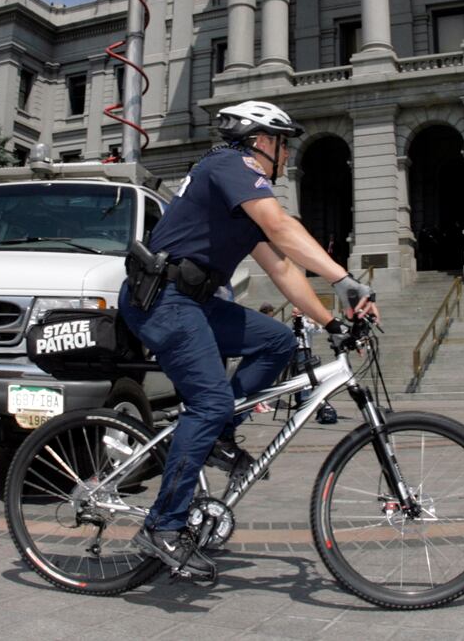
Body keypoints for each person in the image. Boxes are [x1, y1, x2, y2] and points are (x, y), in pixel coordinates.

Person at [119, 99, 378, 579]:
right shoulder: (230, 165)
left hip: (192, 302)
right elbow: (282, 226)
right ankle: (163, 526)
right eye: (285, 144)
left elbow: (282, 266)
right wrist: (345, 280)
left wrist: (331, 322)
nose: (288, 156)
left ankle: (216, 435)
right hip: (162, 300)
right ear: (263, 141)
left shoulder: (241, 199)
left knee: (277, 342)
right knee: (210, 401)